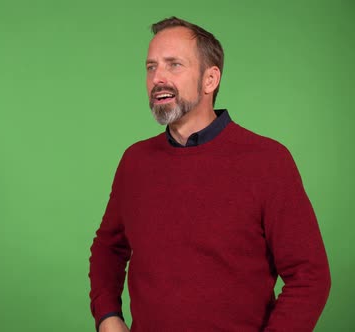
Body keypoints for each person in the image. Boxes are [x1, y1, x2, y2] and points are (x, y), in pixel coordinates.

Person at [88, 16, 331, 332]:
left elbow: (310, 275)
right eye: (151, 67)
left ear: (210, 79)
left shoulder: (267, 161)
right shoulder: (135, 161)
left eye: (173, 65)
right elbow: (108, 246)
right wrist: (108, 317)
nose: (157, 77)